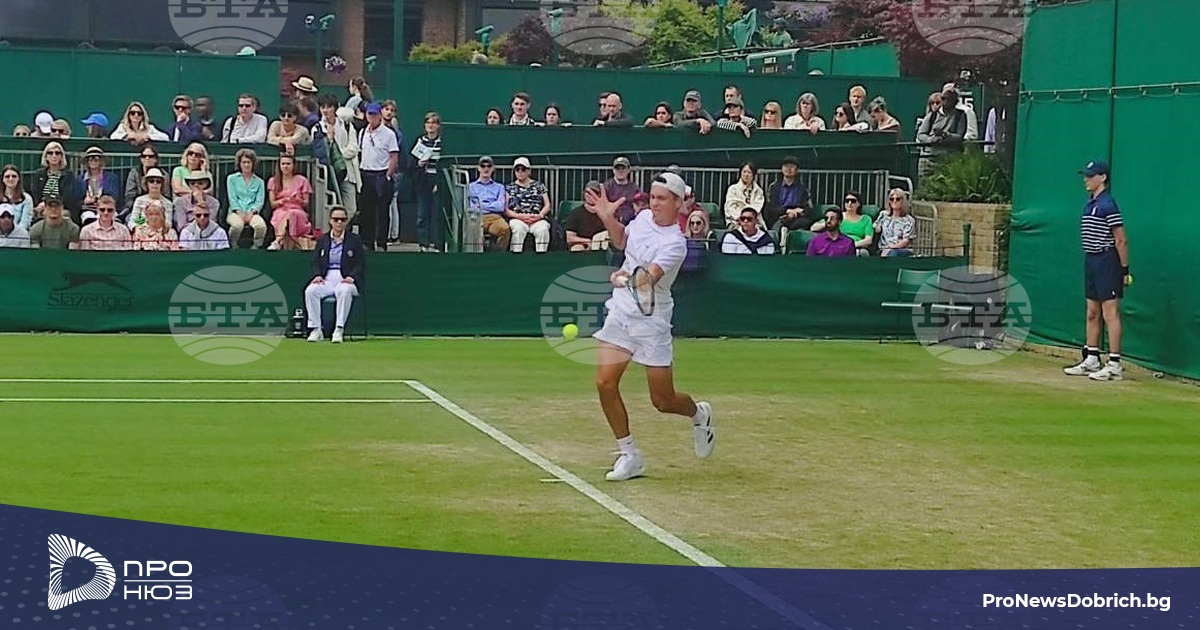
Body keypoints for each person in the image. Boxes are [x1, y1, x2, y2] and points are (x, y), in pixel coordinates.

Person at [584, 171, 715, 482]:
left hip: (652, 319)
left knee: (663, 401)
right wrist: (607, 217)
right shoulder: (642, 218)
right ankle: (630, 455)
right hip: (621, 312)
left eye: (662, 199)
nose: (655, 203)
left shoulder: (676, 244)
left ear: (678, 203)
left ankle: (699, 414)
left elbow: (648, 278)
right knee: (605, 383)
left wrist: (622, 278)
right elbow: (621, 241)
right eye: (653, 197)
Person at [1064, 160, 1131, 382]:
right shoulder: (1089, 203)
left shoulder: (1108, 204)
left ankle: (1114, 365)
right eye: (1085, 175)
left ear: (1102, 178)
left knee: (1110, 313)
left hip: (1107, 260)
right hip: (1091, 260)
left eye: (1091, 176)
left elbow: (1120, 239)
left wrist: (1124, 269)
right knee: (1092, 311)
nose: (1086, 179)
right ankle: (1092, 358)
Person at [305, 206, 365, 344]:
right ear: (330, 221)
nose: (339, 222)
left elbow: (360, 263)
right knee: (311, 291)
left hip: (346, 278)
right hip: (327, 277)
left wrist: (352, 277)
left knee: (344, 291)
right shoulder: (323, 240)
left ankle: (339, 329)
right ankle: (316, 329)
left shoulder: (354, 240)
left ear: (346, 222)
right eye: (336, 219)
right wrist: (317, 275)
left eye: (342, 220)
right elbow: (315, 261)